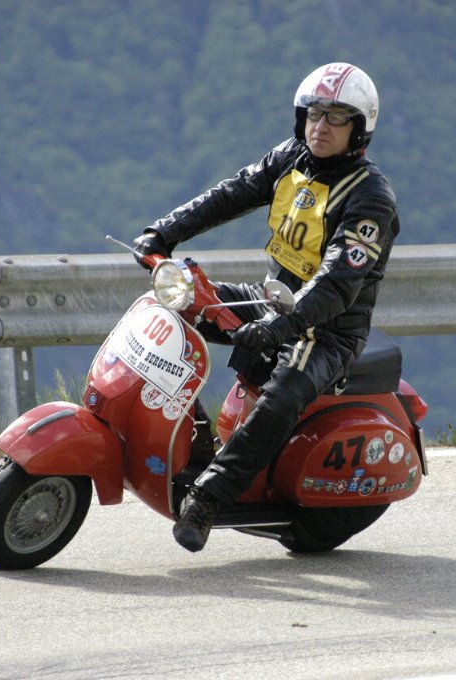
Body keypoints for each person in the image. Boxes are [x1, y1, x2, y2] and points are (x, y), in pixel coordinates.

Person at [132, 62, 399, 552]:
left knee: (282, 393)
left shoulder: (370, 200)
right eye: (314, 114)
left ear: (359, 129)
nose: (320, 126)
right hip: (270, 300)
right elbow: (232, 193)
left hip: (328, 329)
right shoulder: (291, 157)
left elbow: (337, 284)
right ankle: (185, 433)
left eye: (337, 117)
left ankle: (208, 499)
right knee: (175, 303)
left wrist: (281, 329)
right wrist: (163, 232)